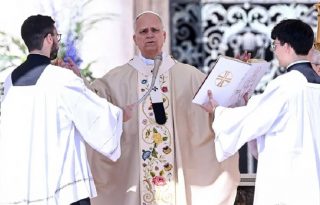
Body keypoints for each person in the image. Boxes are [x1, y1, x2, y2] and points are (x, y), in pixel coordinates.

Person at [85, 11, 240, 205]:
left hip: (178, 177)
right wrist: (76, 78)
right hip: (134, 177)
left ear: (164, 35)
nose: (149, 34)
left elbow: (218, 103)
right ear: (135, 39)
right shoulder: (117, 79)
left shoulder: (189, 76)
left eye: (154, 30)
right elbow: (91, 102)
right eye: (143, 31)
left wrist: (237, 75)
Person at [0, 14, 132, 205]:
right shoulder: (61, 79)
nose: (57, 42)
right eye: (56, 36)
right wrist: (121, 115)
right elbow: (95, 117)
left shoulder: (10, 80)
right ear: (49, 39)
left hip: (22, 184)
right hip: (60, 187)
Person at [202, 19, 320, 205]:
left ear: (287, 46)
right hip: (313, 180)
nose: (275, 50)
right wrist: (253, 104)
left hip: (289, 183)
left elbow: (252, 122)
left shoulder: (287, 84)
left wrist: (218, 111)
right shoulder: (314, 83)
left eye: (276, 44)